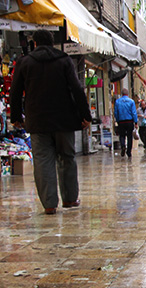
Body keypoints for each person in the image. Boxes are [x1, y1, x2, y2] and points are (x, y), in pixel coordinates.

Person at [10, 29, 91, 215]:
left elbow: (15, 92)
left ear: (35, 43)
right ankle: (70, 199)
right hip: (64, 120)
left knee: (43, 161)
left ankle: (49, 204)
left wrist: (16, 117)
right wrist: (85, 116)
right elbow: (77, 89)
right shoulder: (64, 61)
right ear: (52, 42)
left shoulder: (25, 62)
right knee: (67, 158)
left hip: (38, 121)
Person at [113, 88, 138, 157]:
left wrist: (117, 120)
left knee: (122, 135)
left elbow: (116, 112)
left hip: (121, 122)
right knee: (130, 136)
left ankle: (123, 146)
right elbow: (134, 113)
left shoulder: (117, 102)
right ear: (127, 94)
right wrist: (135, 122)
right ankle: (129, 151)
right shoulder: (131, 101)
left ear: (122, 94)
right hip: (129, 121)